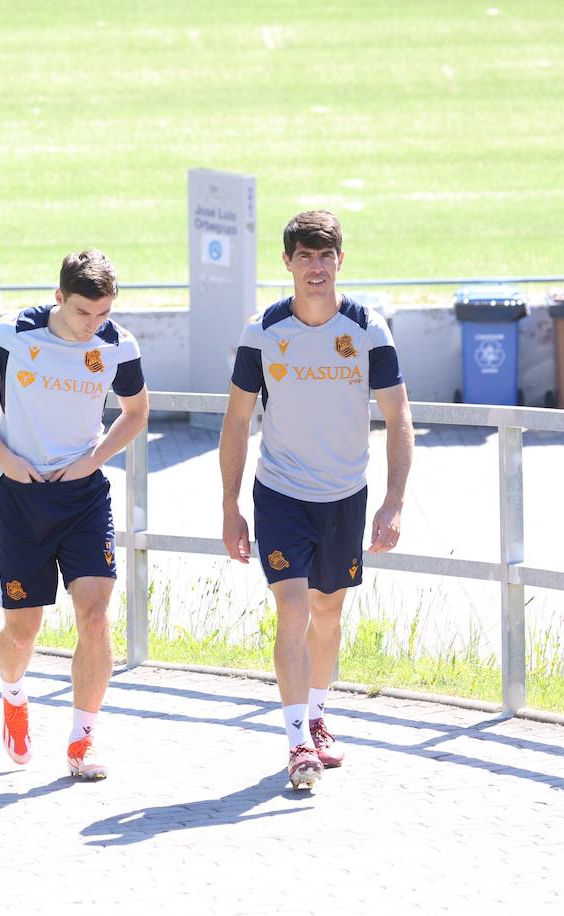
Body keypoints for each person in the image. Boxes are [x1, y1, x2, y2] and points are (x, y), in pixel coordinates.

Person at [218, 210, 413, 790]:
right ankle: (297, 739)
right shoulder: (262, 331)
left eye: (325, 256)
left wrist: (394, 501)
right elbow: (236, 420)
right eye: (305, 256)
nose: (316, 267)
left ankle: (318, 714)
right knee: (295, 610)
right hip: (281, 493)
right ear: (288, 262)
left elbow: (399, 416)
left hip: (345, 496)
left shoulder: (368, 330)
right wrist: (230, 505)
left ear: (340, 261)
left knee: (328, 612)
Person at [0, 249, 148, 780]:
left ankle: (82, 741)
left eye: (103, 313)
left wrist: (92, 460)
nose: (93, 324)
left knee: (96, 616)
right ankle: (14, 695)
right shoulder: (13, 333)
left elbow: (136, 413)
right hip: (21, 495)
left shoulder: (118, 344)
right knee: (23, 631)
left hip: (84, 495)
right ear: (59, 297)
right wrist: (4, 458)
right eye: (83, 312)